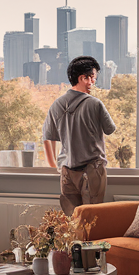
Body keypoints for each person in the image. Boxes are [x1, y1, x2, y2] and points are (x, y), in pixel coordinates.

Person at [43, 56, 116, 216]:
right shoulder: (95, 104)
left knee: (72, 221)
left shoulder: (56, 105)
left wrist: (54, 164)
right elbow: (110, 129)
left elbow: (48, 138)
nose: (93, 82)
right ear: (84, 78)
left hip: (67, 173)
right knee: (92, 220)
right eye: (93, 78)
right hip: (92, 170)